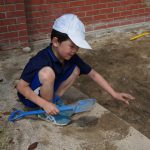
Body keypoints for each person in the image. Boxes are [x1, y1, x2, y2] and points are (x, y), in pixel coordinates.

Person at [16, 14, 135, 125]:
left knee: (76, 69)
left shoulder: (71, 57)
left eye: (77, 47)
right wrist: (44, 104)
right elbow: (21, 87)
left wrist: (114, 93)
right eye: (72, 46)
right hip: (30, 98)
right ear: (56, 42)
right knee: (48, 73)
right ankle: (45, 111)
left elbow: (93, 74)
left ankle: (54, 100)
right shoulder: (40, 59)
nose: (75, 50)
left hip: (47, 91)